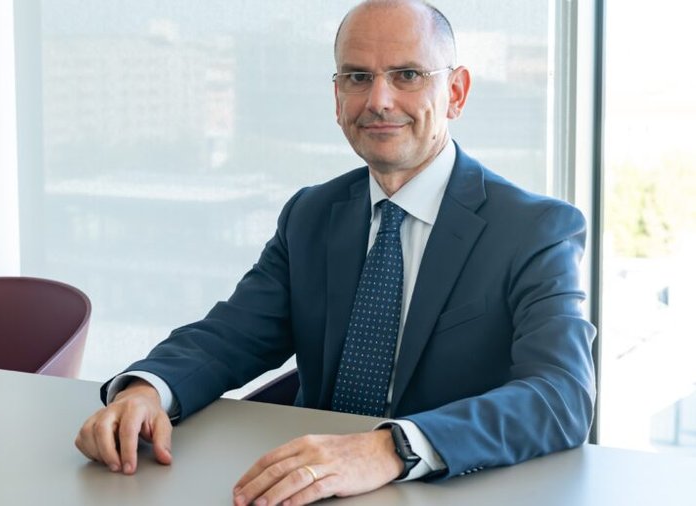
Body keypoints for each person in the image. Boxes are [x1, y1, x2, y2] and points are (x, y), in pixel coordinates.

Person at [75, 0, 596, 504]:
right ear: (337, 97)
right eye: (357, 77)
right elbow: (231, 335)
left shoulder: (535, 230)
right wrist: (147, 390)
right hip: (304, 489)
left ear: (455, 92)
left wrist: (391, 447)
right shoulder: (311, 214)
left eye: (407, 75)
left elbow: (562, 395)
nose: (379, 100)